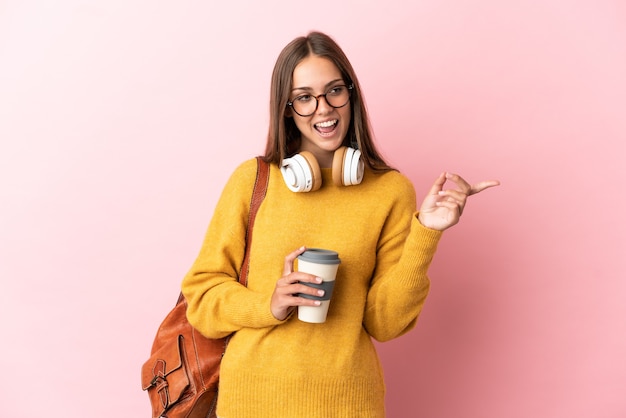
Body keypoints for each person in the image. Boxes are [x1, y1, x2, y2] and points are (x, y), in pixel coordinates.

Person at [181, 31, 499, 418]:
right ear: (287, 108)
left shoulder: (390, 190)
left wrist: (427, 233)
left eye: (334, 90)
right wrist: (269, 304)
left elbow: (385, 323)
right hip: (251, 403)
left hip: (349, 405)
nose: (323, 108)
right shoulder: (253, 180)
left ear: (351, 94)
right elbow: (201, 298)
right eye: (304, 98)